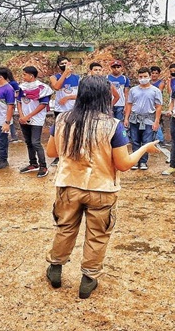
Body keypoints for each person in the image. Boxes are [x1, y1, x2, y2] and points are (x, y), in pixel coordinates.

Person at [45, 75, 159, 299]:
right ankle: (88, 278)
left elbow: (51, 152)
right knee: (97, 235)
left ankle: (55, 268)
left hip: (68, 186)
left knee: (65, 228)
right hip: (102, 189)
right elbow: (124, 165)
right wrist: (145, 148)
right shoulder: (112, 126)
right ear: (105, 97)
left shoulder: (62, 120)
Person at [123, 67, 163, 170]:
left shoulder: (155, 91)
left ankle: (144, 161)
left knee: (146, 141)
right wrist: (126, 118)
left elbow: (158, 106)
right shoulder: (133, 90)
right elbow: (129, 104)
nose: (143, 78)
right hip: (134, 118)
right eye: (141, 76)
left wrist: (156, 121)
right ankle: (135, 161)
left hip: (148, 119)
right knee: (135, 140)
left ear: (149, 77)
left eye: (145, 76)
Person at [17, 66, 53, 177]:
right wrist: (22, 115)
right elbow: (18, 101)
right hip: (24, 119)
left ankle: (43, 166)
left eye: (24, 74)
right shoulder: (21, 87)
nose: (23, 76)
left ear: (31, 76)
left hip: (36, 119)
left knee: (35, 143)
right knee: (28, 142)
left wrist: (29, 116)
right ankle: (33, 163)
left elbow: (43, 104)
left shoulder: (42, 88)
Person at [49, 57, 80, 166]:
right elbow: (57, 86)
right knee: (59, 133)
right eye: (62, 63)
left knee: (75, 132)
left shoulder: (77, 78)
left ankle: (74, 153)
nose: (64, 65)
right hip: (60, 110)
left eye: (66, 63)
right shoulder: (54, 77)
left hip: (74, 109)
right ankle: (58, 156)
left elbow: (82, 94)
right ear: (58, 66)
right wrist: (65, 74)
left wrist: (69, 97)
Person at [150, 66, 166, 145]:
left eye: (156, 73)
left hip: (156, 104)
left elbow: (158, 92)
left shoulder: (161, 83)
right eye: (153, 73)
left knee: (156, 120)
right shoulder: (148, 82)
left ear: (159, 74)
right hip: (149, 104)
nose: (154, 75)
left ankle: (160, 138)